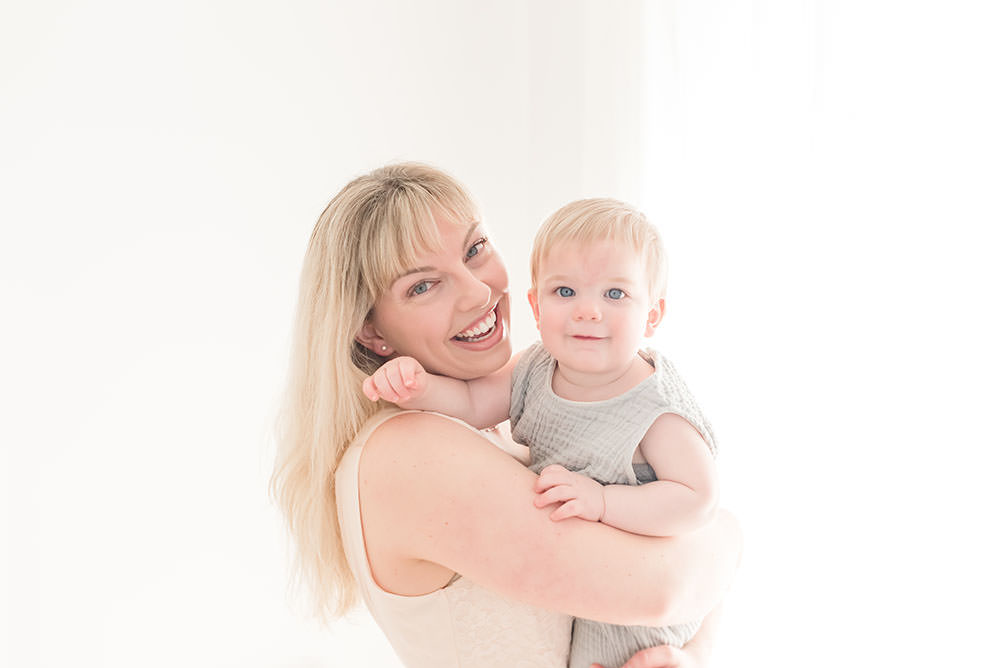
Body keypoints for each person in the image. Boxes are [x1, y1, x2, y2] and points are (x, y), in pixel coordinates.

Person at [271, 163, 742, 668]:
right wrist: (729, 536)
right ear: (371, 333)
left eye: (475, 250)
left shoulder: (514, 404)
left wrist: (692, 652)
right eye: (424, 286)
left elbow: (677, 575)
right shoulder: (409, 452)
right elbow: (663, 588)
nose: (478, 292)